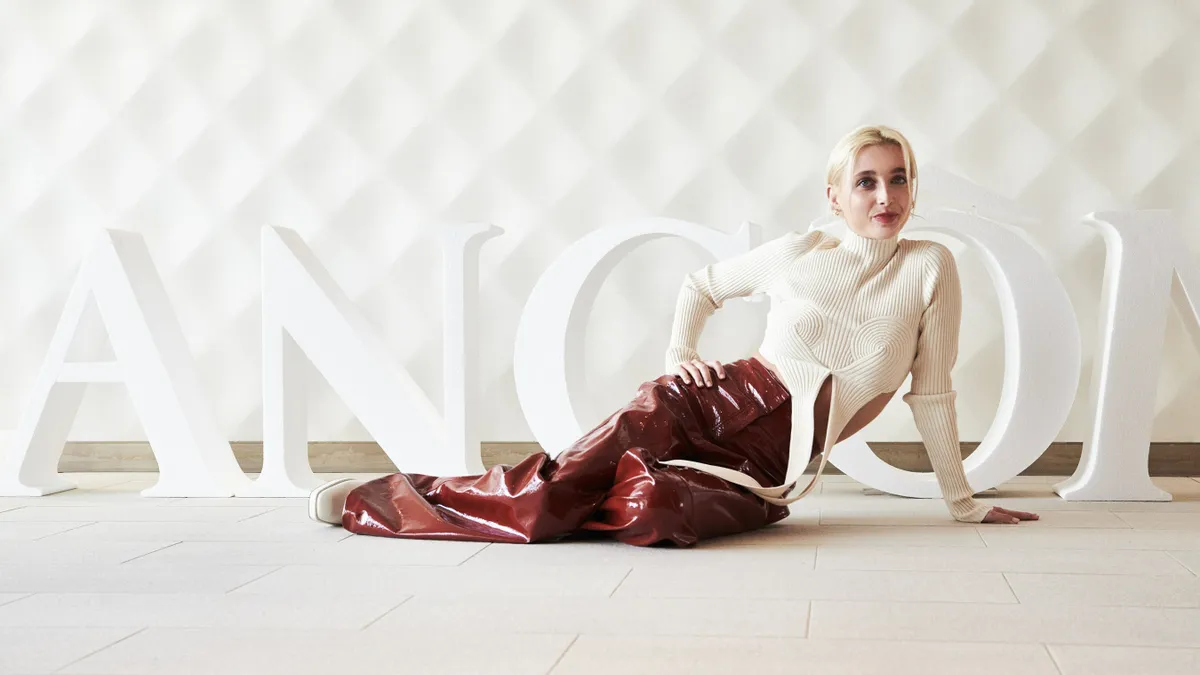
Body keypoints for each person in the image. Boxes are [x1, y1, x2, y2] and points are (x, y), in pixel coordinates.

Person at [306, 125, 1038, 546]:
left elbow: (932, 393)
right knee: (546, 499)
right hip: (703, 401)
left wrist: (963, 501)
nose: (886, 197)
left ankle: (578, 491)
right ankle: (386, 498)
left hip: (765, 465)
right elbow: (702, 285)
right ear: (836, 195)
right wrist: (680, 359)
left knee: (657, 511)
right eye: (868, 182)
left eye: (899, 179)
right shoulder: (800, 251)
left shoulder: (930, 267)